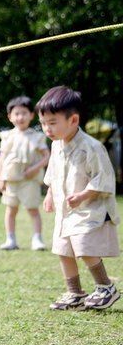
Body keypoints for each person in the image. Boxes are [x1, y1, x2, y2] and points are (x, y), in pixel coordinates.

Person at [36, 86, 120, 311]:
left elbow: (104, 177)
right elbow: (53, 173)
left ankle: (106, 287)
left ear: (73, 119)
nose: (47, 129)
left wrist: (84, 194)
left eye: (53, 123)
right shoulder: (56, 146)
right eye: (44, 123)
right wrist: (51, 194)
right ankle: (75, 292)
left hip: (89, 208)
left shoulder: (91, 146)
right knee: (63, 249)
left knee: (84, 247)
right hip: (66, 210)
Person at [0, 96, 50, 251]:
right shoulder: (7, 136)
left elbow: (47, 156)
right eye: (16, 114)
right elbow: (2, 158)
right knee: (11, 209)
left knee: (33, 209)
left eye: (24, 113)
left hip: (30, 179)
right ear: (10, 117)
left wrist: (35, 168)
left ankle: (37, 239)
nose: (20, 117)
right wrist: (1, 178)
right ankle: (10, 239)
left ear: (31, 115)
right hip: (12, 179)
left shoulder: (37, 136)